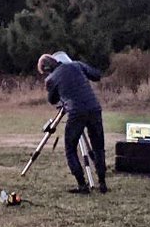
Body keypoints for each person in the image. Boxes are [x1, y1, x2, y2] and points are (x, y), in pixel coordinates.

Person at [37, 53, 108, 194]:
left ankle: (82, 185)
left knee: (70, 149)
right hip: (94, 108)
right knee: (98, 147)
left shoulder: (50, 79)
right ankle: (102, 183)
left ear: (46, 69)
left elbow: (52, 100)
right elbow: (96, 75)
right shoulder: (77, 64)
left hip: (76, 113)